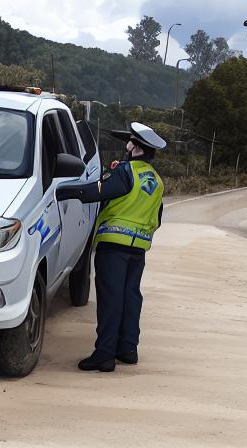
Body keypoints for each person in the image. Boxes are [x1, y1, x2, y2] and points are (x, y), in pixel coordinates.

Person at [56, 122, 166, 372]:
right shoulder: (156, 181)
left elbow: (99, 192)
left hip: (113, 247)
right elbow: (157, 219)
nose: (126, 146)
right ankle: (128, 349)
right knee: (130, 297)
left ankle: (104, 355)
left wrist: (63, 192)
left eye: (129, 142)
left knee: (110, 299)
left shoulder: (126, 171)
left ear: (135, 147)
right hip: (137, 249)